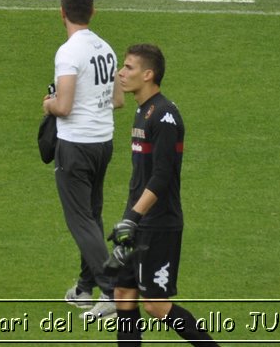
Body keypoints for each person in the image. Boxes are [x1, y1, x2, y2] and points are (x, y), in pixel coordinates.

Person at [106, 43, 225, 347]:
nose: (121, 72)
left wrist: (132, 218)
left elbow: (162, 176)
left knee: (155, 305)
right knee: (124, 295)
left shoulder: (165, 116)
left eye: (129, 67)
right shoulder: (143, 111)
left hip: (158, 224)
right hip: (139, 221)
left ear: (148, 74)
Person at [44, 0, 123, 319]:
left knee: (80, 221)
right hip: (103, 142)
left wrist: (48, 103)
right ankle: (84, 288)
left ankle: (112, 290)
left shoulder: (68, 52)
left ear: (62, 13)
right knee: (92, 215)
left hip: (75, 145)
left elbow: (63, 105)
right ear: (92, 12)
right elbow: (118, 100)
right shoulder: (107, 48)